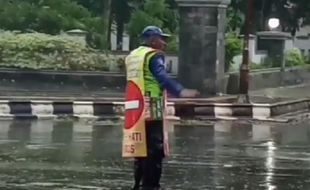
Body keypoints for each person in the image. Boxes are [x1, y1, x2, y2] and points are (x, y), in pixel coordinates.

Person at [122, 26, 199, 190]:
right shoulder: (153, 55)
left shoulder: (133, 56)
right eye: (162, 39)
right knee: (155, 148)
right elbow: (162, 76)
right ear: (152, 40)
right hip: (151, 104)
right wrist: (180, 91)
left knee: (140, 147)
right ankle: (151, 186)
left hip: (134, 107)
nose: (164, 43)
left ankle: (139, 184)